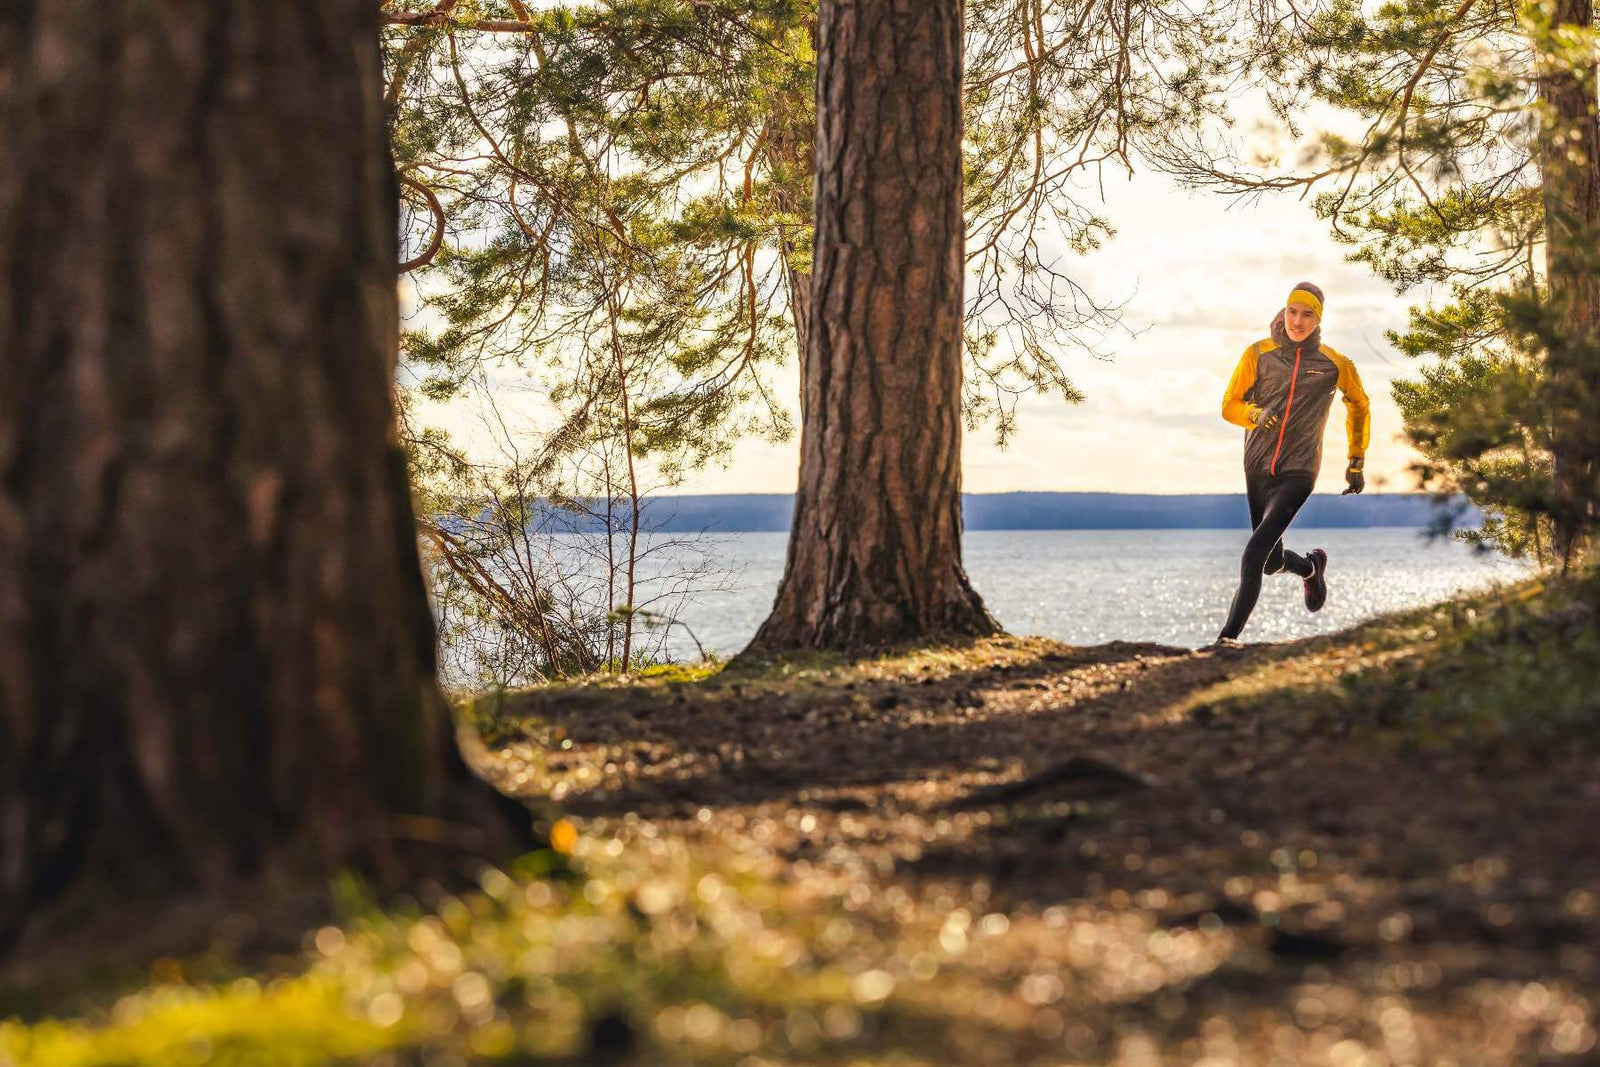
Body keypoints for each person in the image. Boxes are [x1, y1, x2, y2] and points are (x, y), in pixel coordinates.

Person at [1213, 282, 1370, 645]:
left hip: (1299, 470)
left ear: (1319, 320)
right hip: (1257, 468)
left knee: (1253, 554)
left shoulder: (1335, 364)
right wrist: (1254, 414)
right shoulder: (1258, 354)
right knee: (1269, 562)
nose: (1297, 321)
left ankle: (1226, 641)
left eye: (1307, 315)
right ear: (1284, 312)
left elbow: (1359, 404)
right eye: (1292, 312)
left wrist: (1356, 459)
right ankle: (1310, 567)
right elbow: (1229, 404)